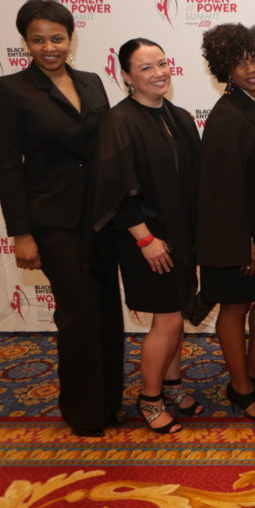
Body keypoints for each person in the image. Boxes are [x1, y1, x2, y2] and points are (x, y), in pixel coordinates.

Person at [0, 0, 123, 438]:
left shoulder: (92, 82)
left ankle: (110, 403)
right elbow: (7, 166)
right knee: (78, 313)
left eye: (57, 38)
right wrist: (21, 234)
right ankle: (83, 412)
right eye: (38, 40)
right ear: (25, 43)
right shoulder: (10, 90)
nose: (49, 48)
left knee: (106, 309)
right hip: (52, 220)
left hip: (101, 217)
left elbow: (107, 148)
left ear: (70, 38)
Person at [92, 38, 202, 435]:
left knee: (175, 316)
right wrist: (145, 239)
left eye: (162, 64)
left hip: (179, 237)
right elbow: (114, 188)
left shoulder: (179, 116)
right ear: (125, 76)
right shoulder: (119, 121)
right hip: (145, 241)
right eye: (145, 68)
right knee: (168, 320)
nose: (158, 73)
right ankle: (150, 399)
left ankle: (172, 385)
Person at [196, 23, 255, 420]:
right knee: (234, 306)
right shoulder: (227, 115)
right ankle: (241, 388)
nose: (251, 69)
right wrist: (244, 240)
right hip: (237, 228)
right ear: (225, 68)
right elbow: (220, 186)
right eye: (240, 62)